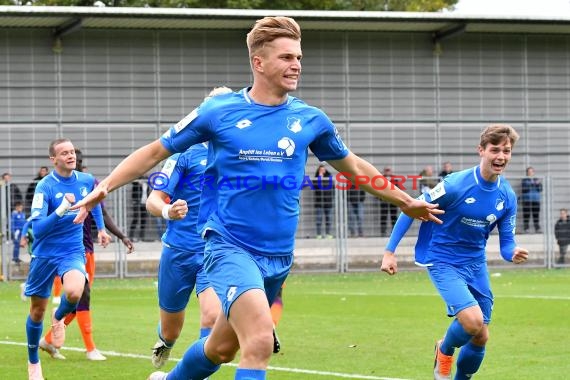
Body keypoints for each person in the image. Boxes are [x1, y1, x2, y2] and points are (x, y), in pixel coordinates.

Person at [71, 16, 442, 380]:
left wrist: (403, 200)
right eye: (286, 57)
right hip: (229, 246)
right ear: (258, 62)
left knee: (220, 348)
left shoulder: (311, 119)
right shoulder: (219, 111)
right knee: (260, 341)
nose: (296, 65)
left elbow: (355, 167)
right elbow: (154, 152)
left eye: (298, 57)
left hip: (279, 255)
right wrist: (104, 186)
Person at [381, 124, 529, 380]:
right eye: (495, 149)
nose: (501, 156)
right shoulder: (456, 184)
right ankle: (444, 349)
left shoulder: (507, 195)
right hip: (443, 260)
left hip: (475, 263)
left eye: (507, 150)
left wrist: (513, 251)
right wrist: (389, 251)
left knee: (481, 335)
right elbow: (411, 208)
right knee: (473, 322)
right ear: (481, 150)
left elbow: (506, 243)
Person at [144, 87, 230, 370]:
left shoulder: (237, 154)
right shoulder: (183, 153)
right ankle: (165, 344)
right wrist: (168, 210)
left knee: (211, 317)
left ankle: (193, 374)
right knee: (171, 330)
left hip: (213, 250)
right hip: (179, 250)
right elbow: (153, 200)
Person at [24, 138, 111, 380]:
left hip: (72, 251)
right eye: (64, 153)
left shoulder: (85, 180)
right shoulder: (44, 187)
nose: (70, 156)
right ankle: (34, 363)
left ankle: (59, 317)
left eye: (72, 151)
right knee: (37, 311)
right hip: (44, 254)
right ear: (53, 159)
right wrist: (62, 208)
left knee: (74, 292)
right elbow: (39, 230)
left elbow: (93, 203)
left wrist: (101, 229)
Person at [38, 148, 135, 362]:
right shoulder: (50, 185)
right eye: (69, 155)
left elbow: (99, 209)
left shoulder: (87, 182)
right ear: (56, 161)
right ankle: (90, 348)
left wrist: (111, 233)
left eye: (76, 156)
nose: (75, 160)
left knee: (79, 297)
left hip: (86, 248)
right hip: (67, 250)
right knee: (82, 295)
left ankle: (47, 339)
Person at [313, 164, 334, 239]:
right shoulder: (316, 178)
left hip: (328, 202)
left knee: (328, 219)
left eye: (323, 169)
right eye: (320, 170)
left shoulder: (329, 177)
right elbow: (315, 188)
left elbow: (331, 188)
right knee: (319, 219)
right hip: (319, 202)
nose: (322, 171)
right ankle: (318, 234)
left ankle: (328, 234)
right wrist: (319, 178)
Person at [378, 167, 400, 237]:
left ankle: (394, 232)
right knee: (383, 217)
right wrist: (380, 198)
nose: (387, 172)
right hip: (384, 200)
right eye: (386, 170)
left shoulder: (395, 178)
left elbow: (398, 189)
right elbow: (376, 189)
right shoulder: (380, 179)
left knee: (393, 216)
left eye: (388, 170)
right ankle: (383, 232)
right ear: (384, 171)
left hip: (393, 201)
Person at [521, 166, 542, 234]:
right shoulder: (524, 180)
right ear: (527, 173)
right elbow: (524, 189)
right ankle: (526, 229)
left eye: (532, 171)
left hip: (536, 200)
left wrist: (537, 184)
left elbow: (540, 189)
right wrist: (533, 184)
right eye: (529, 172)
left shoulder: (537, 179)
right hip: (527, 201)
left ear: (533, 172)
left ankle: (537, 228)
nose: (530, 173)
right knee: (526, 215)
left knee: (536, 215)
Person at [130, 175, 149, 241]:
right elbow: (133, 182)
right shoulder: (137, 182)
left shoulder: (147, 183)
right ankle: (131, 236)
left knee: (143, 220)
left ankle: (142, 237)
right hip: (137, 203)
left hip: (145, 204)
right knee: (136, 218)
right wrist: (138, 182)